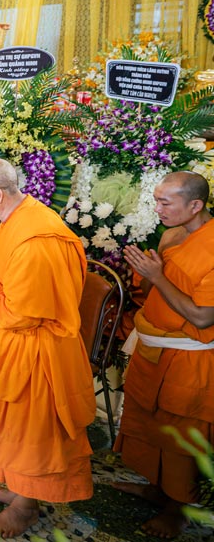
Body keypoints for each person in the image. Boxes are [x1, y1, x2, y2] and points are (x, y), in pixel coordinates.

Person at [0, 158, 95, 538]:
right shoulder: (17, 220)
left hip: (37, 353)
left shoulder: (38, 240)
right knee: (12, 426)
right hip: (15, 346)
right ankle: (18, 488)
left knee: (31, 433)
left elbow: (22, 313)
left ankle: (26, 507)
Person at [115, 171, 214, 538]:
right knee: (147, 421)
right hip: (154, 347)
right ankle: (156, 489)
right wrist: (146, 273)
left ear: (195, 205)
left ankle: (179, 509)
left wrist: (156, 277)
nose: (157, 209)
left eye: (164, 202)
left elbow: (203, 316)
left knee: (179, 436)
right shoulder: (173, 234)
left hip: (189, 357)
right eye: (155, 200)